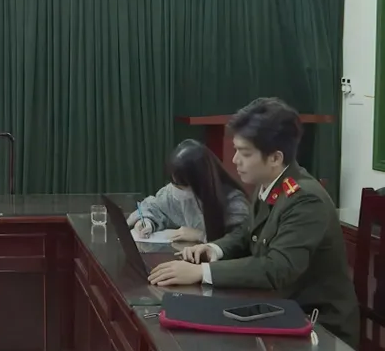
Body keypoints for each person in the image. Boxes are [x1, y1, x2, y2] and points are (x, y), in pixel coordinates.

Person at [147, 97, 359, 348]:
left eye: (245, 153)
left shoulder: (305, 199)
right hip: (279, 307)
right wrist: (213, 249)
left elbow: (277, 268)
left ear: (275, 158)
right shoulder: (269, 184)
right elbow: (246, 233)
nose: (235, 160)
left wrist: (201, 272)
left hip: (318, 325)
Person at [127, 139, 249, 243]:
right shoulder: (174, 192)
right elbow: (153, 207)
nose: (176, 189)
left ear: (199, 181)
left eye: (181, 185)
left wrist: (201, 236)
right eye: (174, 183)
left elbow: (240, 242)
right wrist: (147, 221)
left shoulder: (233, 202)